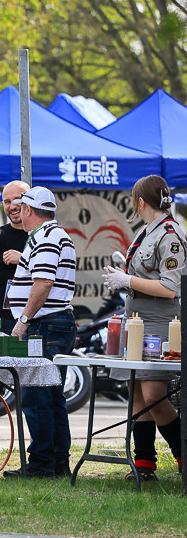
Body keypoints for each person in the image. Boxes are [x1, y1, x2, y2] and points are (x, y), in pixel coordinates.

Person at [102, 175, 185, 481]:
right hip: (137, 316)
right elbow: (146, 272)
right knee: (135, 389)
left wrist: (127, 281)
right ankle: (145, 462)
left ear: (140, 201)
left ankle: (182, 455)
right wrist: (125, 268)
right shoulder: (147, 232)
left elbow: (170, 287)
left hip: (162, 321)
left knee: (153, 394)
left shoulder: (171, 234)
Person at [4, 186, 77, 479]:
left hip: (45, 324)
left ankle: (42, 464)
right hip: (55, 323)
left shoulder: (46, 238)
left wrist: (22, 320)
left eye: (20, 207)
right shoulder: (55, 235)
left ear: (29, 211)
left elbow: (43, 283)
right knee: (52, 394)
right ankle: (57, 462)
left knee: (37, 394)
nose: (17, 212)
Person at [0, 180, 30, 335]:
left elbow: (50, 276)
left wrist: (22, 260)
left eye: (18, 200)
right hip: (6, 318)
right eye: (7, 202)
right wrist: (33, 271)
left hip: (39, 316)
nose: (12, 206)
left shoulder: (41, 235)